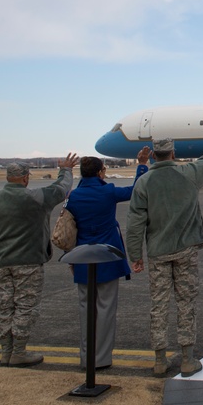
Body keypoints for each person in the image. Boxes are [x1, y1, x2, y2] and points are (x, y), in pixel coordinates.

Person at [126, 117, 203, 377]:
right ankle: (187, 358)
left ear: (154, 155)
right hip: (185, 250)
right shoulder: (188, 175)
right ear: (172, 153)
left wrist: (135, 256)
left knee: (158, 305)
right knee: (186, 303)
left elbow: (135, 223)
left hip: (158, 252)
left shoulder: (144, 183)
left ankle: (159, 359)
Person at [0, 155, 79, 367]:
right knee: (25, 307)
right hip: (28, 262)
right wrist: (66, 170)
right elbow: (61, 189)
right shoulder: (35, 198)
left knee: (3, 307)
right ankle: (19, 352)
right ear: (25, 178)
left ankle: (6, 351)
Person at [64, 147, 150, 369]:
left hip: (82, 258)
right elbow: (136, 190)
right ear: (101, 172)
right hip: (107, 257)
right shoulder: (108, 192)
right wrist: (141, 165)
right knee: (106, 309)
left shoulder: (73, 196)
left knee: (85, 309)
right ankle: (101, 358)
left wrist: (63, 172)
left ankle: (86, 357)